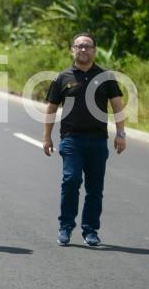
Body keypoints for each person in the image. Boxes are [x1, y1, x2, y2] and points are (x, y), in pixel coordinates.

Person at [43, 32, 126, 246]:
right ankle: (66, 226)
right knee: (71, 181)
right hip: (72, 139)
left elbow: (117, 106)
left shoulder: (106, 77)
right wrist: (46, 137)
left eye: (87, 46)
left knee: (95, 188)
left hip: (98, 141)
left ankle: (90, 230)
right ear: (72, 50)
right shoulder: (63, 78)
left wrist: (120, 133)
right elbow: (51, 109)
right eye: (79, 46)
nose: (83, 50)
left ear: (94, 51)